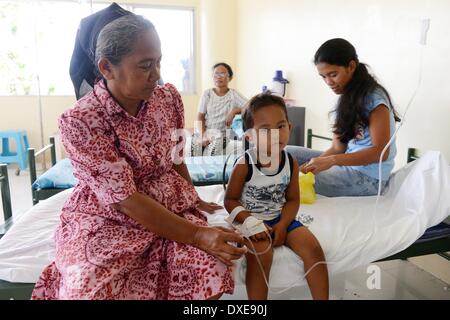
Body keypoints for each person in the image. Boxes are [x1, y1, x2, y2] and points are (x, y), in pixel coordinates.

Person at [31, 12, 246, 300]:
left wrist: (193, 198)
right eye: (145, 65)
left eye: (158, 62)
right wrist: (197, 235)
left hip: (170, 205)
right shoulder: (82, 120)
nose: (156, 74)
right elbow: (125, 199)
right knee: (89, 284)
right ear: (107, 67)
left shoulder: (167, 98)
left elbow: (177, 156)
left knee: (210, 268)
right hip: (110, 214)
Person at [224, 93, 329, 300]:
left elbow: (292, 200)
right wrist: (252, 222)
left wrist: (283, 224)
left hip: (279, 218)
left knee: (314, 249)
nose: (275, 135)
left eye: (280, 126)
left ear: (290, 127)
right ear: (249, 136)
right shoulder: (245, 164)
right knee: (262, 254)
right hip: (250, 219)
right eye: (265, 130)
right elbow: (230, 201)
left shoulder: (290, 162)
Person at [287, 38, 401, 197]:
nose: (328, 82)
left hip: (369, 178)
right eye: (323, 76)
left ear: (351, 66)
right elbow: (338, 148)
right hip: (345, 163)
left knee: (289, 181)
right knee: (285, 153)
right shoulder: (346, 99)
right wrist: (310, 166)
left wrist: (332, 161)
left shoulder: (375, 100)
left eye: (333, 74)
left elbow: (380, 152)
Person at [194, 63, 247, 156]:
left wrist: (234, 111)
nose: (219, 77)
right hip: (205, 131)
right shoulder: (207, 94)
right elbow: (200, 116)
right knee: (194, 152)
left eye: (222, 74)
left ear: (230, 78)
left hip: (222, 134)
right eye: (216, 74)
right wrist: (203, 136)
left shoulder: (233, 95)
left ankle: (211, 170)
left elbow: (250, 106)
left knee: (211, 152)